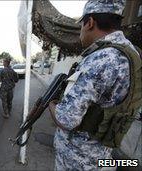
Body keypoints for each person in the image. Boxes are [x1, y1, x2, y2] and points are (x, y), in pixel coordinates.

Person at [47, 0, 142, 170]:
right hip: (102, 155)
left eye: (81, 26)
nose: (80, 33)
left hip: (77, 160)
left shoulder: (101, 59)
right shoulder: (131, 53)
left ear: (90, 23)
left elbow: (66, 119)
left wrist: (51, 103)